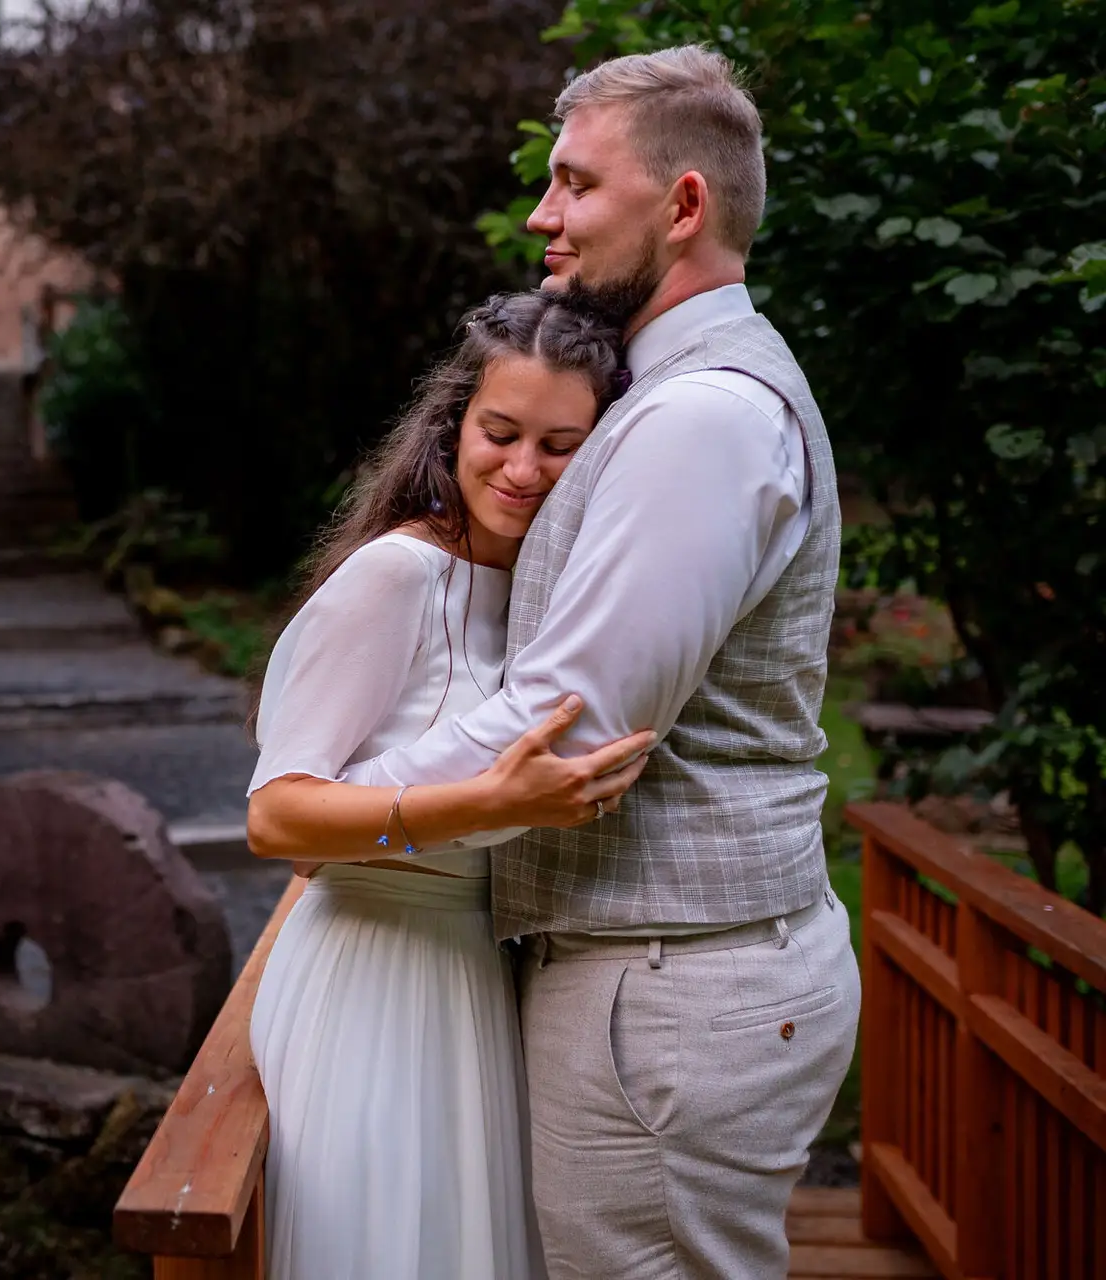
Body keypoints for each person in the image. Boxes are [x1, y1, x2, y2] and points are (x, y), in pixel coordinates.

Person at [325, 45, 862, 1279]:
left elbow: (570, 725)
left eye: (574, 184)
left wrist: (344, 808)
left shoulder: (701, 419)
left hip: (668, 990)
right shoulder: (665, 395)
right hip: (664, 976)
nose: (541, 214)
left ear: (682, 206)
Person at [245, 290, 650, 1280]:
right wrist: (493, 803)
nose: (520, 470)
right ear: (454, 425)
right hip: (370, 983)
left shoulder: (549, 602)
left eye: (560, 446)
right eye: (500, 432)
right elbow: (276, 815)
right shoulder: (397, 576)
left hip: (474, 982)